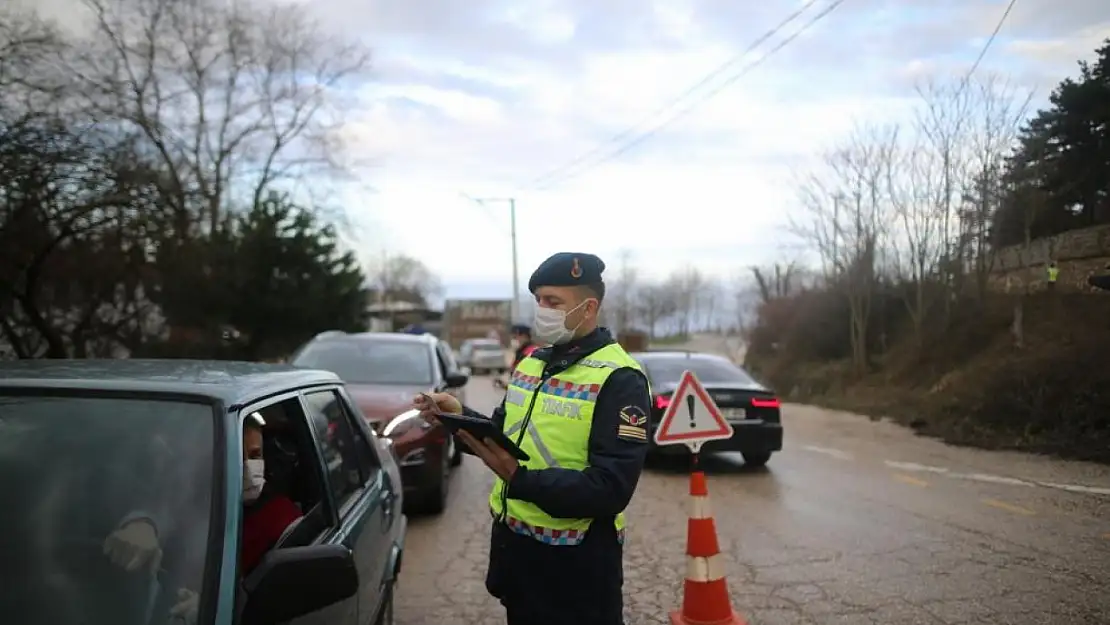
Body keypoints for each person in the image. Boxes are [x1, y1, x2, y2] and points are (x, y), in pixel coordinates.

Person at [414, 252, 652, 625]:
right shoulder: (532, 364)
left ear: (589, 308)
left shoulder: (621, 379)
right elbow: (501, 439)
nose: (542, 310)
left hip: (576, 569)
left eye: (554, 302)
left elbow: (611, 488)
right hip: (518, 555)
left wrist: (519, 478)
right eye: (539, 300)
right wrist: (455, 415)